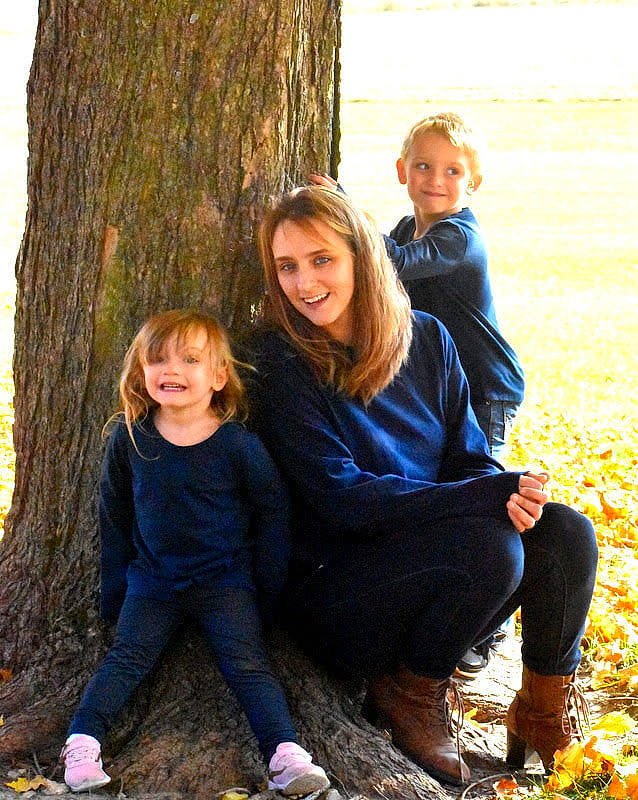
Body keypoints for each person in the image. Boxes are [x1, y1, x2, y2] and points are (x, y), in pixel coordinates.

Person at [249, 186, 597, 786]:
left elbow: (470, 462)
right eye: (288, 267)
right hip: (338, 592)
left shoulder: (428, 339)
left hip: (432, 564)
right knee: (488, 547)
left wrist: (508, 493)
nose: (304, 283)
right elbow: (340, 500)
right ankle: (409, 693)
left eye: (321, 259)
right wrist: (480, 498)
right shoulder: (282, 362)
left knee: (564, 532)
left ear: (361, 254)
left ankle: (542, 709)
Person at [60, 310, 329, 797]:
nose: (172, 370)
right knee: (126, 657)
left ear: (219, 376)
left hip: (224, 582)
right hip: (153, 582)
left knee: (247, 665)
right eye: (157, 359)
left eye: (190, 359)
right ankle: (82, 742)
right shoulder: (132, 437)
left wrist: (266, 590)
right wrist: (113, 588)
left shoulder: (238, 445)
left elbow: (272, 515)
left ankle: (285, 754)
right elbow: (113, 513)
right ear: (141, 370)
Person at [311, 111, 524, 676]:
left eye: (453, 170)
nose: (436, 179)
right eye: (424, 166)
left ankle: (487, 629)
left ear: (472, 183)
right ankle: (446, 572)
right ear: (402, 171)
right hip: (439, 378)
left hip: (483, 384)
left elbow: (393, 265)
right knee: (447, 487)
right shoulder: (407, 227)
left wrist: (346, 213)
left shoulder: (459, 236)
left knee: (483, 485)